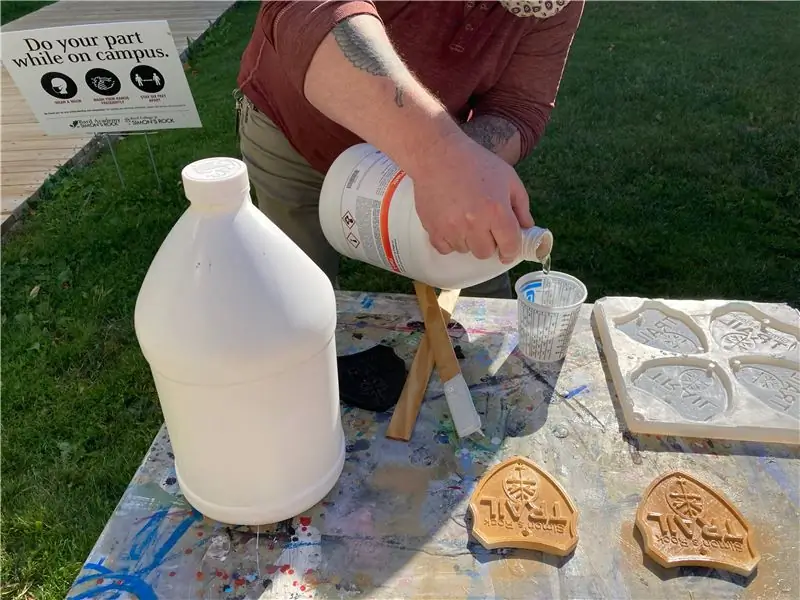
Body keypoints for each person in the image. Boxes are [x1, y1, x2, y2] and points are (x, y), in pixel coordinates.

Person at [236, 0, 583, 298]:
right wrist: (439, 154)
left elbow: (518, 105)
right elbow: (308, 9)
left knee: (485, 318)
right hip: (298, 138)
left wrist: (458, 172)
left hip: (442, 151)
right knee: (296, 298)